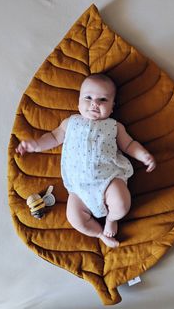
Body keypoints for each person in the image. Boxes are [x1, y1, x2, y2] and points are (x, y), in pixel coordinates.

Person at [16, 74, 156, 248]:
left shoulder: (114, 126)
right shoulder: (70, 123)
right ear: (78, 103)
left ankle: (111, 219)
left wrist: (143, 155)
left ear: (112, 107)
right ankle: (99, 233)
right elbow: (53, 137)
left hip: (109, 179)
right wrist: (35, 145)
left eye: (102, 99)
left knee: (120, 203)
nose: (94, 103)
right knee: (74, 218)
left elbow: (129, 145)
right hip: (79, 190)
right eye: (88, 98)